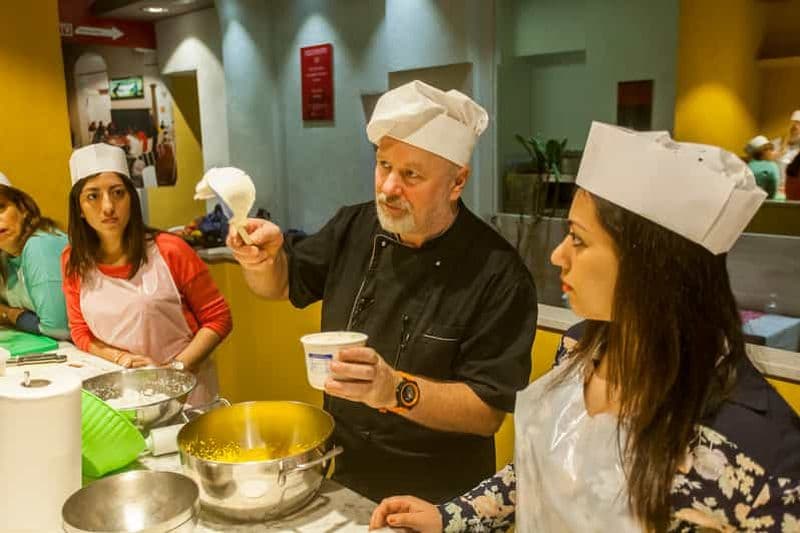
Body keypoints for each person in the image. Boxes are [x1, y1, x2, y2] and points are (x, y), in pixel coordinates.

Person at [370, 123, 800, 532]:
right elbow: (542, 472)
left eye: (577, 238)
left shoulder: (760, 450)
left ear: (650, 269)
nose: (558, 255)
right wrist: (452, 517)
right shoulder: (579, 350)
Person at [227, 80, 538, 502]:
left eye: (411, 174)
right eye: (384, 165)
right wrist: (261, 261)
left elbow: (486, 413)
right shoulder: (352, 227)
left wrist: (393, 389)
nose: (389, 187)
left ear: (457, 181)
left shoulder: (499, 273)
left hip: (439, 497)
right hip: (344, 471)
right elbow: (280, 283)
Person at [61, 143, 232, 405]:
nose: (108, 207)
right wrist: (121, 359)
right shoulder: (73, 261)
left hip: (185, 392)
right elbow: (80, 332)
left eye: (117, 193)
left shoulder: (170, 250)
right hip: (120, 394)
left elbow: (218, 319)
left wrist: (171, 371)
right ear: (79, 209)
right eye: (93, 196)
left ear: (131, 198)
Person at [0, 184, 70, 340]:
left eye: (0, 208)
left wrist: (11, 314)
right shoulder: (5, 255)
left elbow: (57, 329)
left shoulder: (39, 244)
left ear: (23, 208)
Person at [745, 135, 781, 199]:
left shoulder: (747, 166)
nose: (774, 152)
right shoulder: (772, 166)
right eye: (771, 149)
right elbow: (773, 191)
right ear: (764, 151)